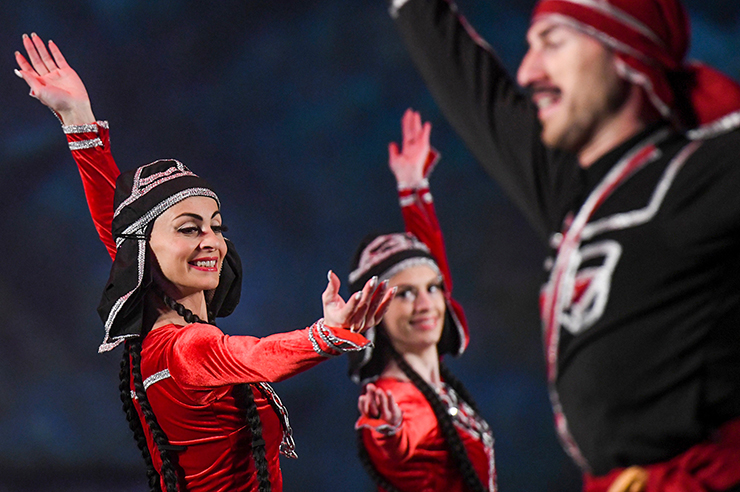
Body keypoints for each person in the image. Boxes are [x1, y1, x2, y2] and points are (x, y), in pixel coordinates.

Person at [382, 0, 740, 490]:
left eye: (552, 42)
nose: (529, 72)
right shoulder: (576, 198)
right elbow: (477, 96)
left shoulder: (702, 175)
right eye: (529, 48)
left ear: (626, 53)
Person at [14, 33, 395, 492]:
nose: (212, 240)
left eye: (216, 226)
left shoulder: (154, 342)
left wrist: (78, 119)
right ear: (145, 250)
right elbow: (254, 356)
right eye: (190, 228)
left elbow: (122, 228)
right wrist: (325, 336)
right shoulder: (184, 349)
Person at [348, 109, 496, 491]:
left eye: (432, 289)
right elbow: (400, 442)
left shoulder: (435, 385)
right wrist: (389, 432)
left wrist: (414, 188)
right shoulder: (400, 398)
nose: (426, 304)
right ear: (376, 312)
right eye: (406, 295)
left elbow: (432, 273)